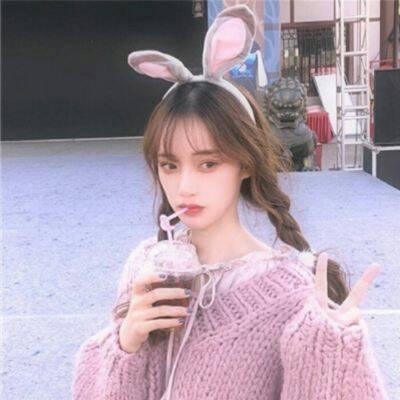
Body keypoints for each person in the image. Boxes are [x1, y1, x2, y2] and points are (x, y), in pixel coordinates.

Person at [71, 5, 389, 400]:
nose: (184, 186)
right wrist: (127, 342)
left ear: (245, 163)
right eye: (170, 165)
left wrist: (332, 355)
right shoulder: (147, 265)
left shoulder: (291, 292)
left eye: (208, 164)